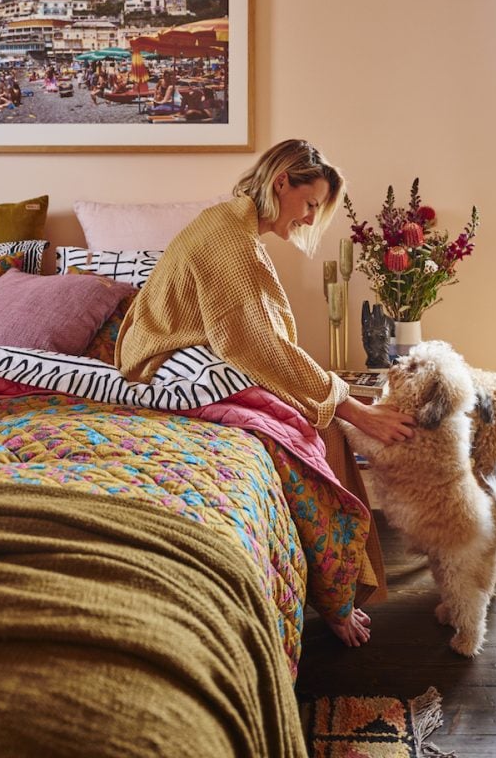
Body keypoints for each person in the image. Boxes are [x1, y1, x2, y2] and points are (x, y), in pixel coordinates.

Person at [116, 138, 415, 647]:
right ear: (282, 183)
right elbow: (257, 343)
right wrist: (353, 409)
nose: (307, 218)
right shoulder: (230, 239)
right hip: (164, 364)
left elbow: (257, 340)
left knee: (319, 416)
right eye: (310, 204)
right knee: (318, 429)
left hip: (186, 355)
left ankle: (345, 587)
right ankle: (340, 594)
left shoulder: (234, 226)